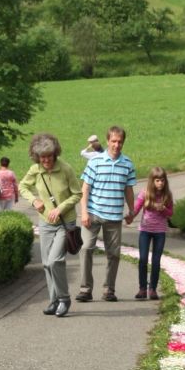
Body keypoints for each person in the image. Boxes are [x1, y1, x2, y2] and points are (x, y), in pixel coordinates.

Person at [18, 133, 82, 318]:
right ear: (36, 156)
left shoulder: (66, 169)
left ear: (55, 154)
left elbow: (77, 194)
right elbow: (22, 186)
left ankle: (64, 299)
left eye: (49, 156)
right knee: (46, 264)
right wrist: (34, 201)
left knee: (55, 260)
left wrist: (60, 208)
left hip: (65, 222)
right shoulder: (35, 170)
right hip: (45, 222)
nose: (46, 160)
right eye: (42, 157)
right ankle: (53, 300)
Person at [77, 125, 137, 303]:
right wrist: (84, 212)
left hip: (114, 216)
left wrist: (132, 210)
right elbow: (85, 189)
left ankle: (109, 290)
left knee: (114, 254)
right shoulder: (95, 161)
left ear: (123, 142)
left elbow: (129, 190)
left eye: (120, 142)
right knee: (86, 248)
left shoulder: (127, 164)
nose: (116, 145)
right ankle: (85, 289)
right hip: (93, 213)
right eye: (113, 141)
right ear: (107, 141)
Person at [132, 167, 174, 300]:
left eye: (162, 180)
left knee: (156, 260)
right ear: (152, 181)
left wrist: (164, 209)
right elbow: (136, 208)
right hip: (145, 230)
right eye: (157, 180)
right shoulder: (145, 194)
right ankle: (142, 288)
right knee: (143, 259)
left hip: (160, 231)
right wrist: (130, 216)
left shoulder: (167, 195)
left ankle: (153, 289)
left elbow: (171, 213)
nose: (160, 183)